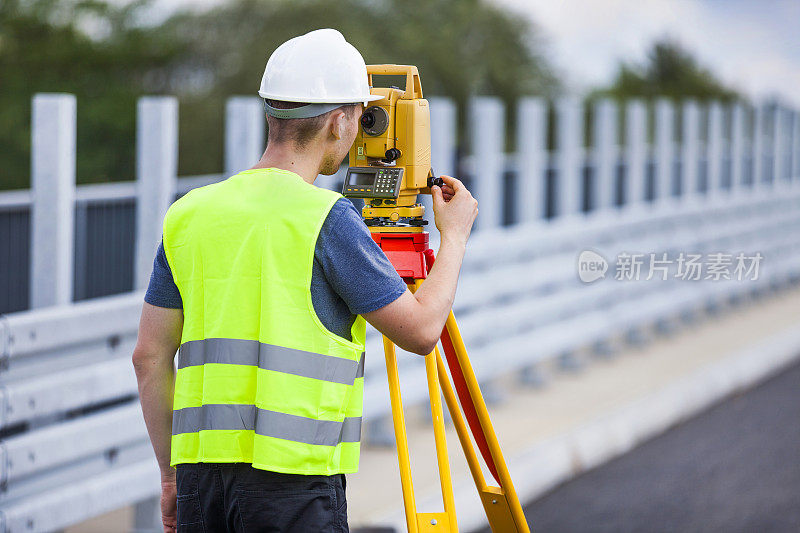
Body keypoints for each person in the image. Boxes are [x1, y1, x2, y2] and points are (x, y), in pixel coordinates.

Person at [132, 28, 477, 533]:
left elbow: (149, 356)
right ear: (338, 121)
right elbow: (423, 331)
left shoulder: (189, 213)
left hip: (199, 483)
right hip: (291, 486)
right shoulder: (328, 219)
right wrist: (456, 237)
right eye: (361, 118)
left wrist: (170, 479)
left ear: (271, 113)